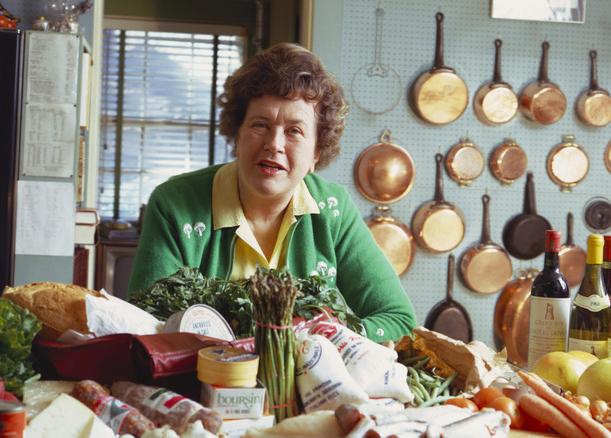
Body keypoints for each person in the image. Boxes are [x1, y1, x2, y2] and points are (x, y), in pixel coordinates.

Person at [128, 42, 417, 342]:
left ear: (316, 152)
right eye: (260, 124)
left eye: (294, 131)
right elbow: (145, 323)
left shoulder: (334, 210)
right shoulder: (174, 203)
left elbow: (399, 320)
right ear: (237, 135)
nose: (274, 144)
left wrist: (329, 338)